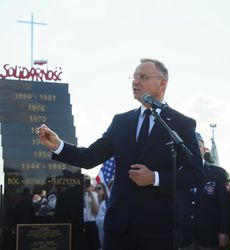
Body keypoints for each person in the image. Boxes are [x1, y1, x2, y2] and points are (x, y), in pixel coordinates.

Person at [37, 58, 203, 250]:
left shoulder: (181, 124)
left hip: (159, 229)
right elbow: (90, 157)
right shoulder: (121, 122)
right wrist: (58, 145)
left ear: (162, 82)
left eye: (142, 77)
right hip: (119, 229)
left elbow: (195, 174)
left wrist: (155, 178)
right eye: (134, 77)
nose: (135, 82)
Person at [178, 132, 230, 250]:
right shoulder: (178, 173)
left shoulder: (218, 173)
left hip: (210, 238)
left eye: (198, 145)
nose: (194, 149)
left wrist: (224, 231)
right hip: (185, 239)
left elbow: (225, 205)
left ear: (204, 149)